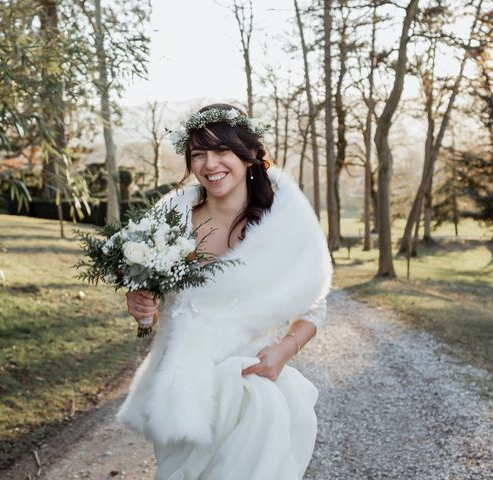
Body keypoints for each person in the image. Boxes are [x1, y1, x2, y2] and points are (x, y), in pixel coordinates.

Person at [117, 103, 332, 480]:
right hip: (181, 386)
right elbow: (153, 309)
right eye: (198, 154)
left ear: (248, 156)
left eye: (221, 151)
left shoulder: (280, 222)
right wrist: (141, 307)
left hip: (251, 382)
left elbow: (313, 304)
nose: (209, 164)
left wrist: (282, 352)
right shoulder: (170, 220)